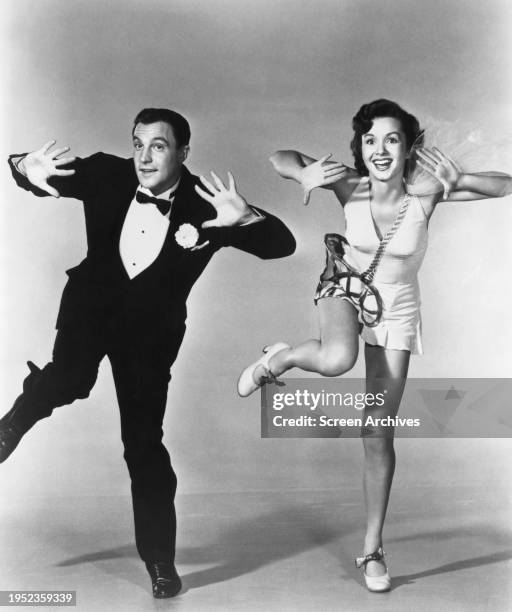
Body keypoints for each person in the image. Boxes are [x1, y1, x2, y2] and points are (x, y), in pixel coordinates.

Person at [0, 108, 296, 599]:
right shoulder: (105, 172)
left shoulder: (207, 204)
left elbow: (280, 246)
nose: (143, 156)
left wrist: (244, 218)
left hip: (149, 337)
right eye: (138, 143)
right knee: (70, 378)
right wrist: (22, 166)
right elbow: (34, 174)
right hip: (91, 310)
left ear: (183, 152)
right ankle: (11, 423)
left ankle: (160, 559)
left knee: (143, 446)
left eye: (158, 146)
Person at [238, 99, 511, 592]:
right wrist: (303, 174)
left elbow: (505, 185)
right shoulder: (348, 183)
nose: (379, 149)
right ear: (359, 149)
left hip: (398, 310)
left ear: (409, 148)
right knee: (338, 358)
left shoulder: (427, 192)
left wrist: (457, 176)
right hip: (346, 285)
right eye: (370, 140)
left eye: (391, 139)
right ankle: (282, 357)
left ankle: (371, 549)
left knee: (377, 431)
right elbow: (281, 157)